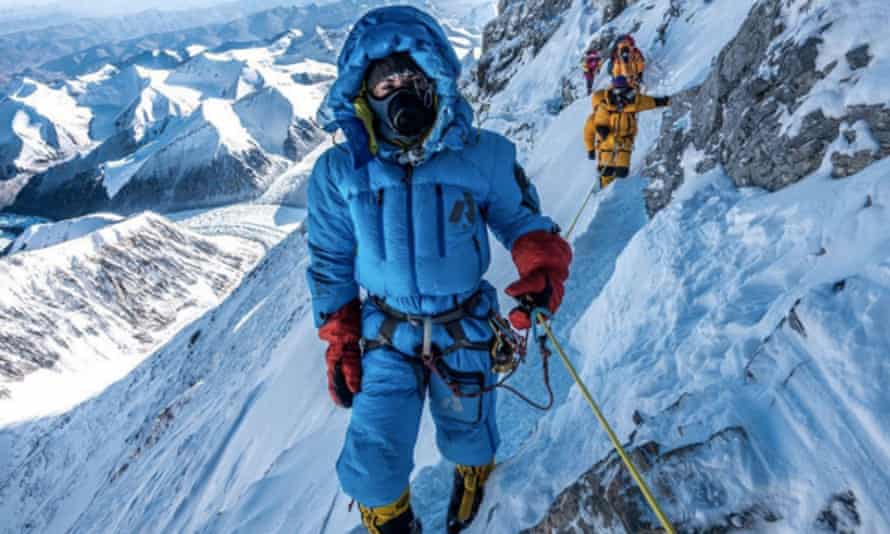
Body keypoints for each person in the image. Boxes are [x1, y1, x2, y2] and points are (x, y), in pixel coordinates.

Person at [307, 6, 573, 533]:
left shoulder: (483, 156)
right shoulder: (339, 172)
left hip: (464, 327)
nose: (400, 92)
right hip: (386, 333)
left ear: (435, 81)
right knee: (372, 460)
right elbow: (330, 259)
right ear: (363, 94)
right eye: (385, 84)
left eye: (412, 78)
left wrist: (541, 267)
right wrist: (341, 341)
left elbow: (522, 220)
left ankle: (474, 479)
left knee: (468, 431)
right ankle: (388, 517)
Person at [584, 76, 670, 190]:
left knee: (622, 172)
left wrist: (663, 101)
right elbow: (598, 128)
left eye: (622, 89)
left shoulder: (634, 100)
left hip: (625, 142)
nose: (619, 93)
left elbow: (648, 102)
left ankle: (616, 192)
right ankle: (605, 191)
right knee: (607, 170)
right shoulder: (605, 105)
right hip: (607, 144)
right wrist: (592, 148)